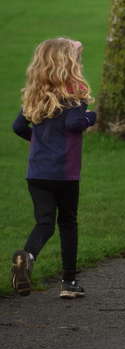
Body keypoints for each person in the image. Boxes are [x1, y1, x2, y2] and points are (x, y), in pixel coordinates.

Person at [11, 38, 97, 298]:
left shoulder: (34, 95)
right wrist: (91, 116)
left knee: (44, 222)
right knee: (68, 222)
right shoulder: (74, 94)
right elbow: (73, 124)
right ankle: (69, 283)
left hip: (37, 173)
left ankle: (27, 256)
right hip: (65, 173)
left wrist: (40, 143)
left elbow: (18, 127)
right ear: (68, 64)